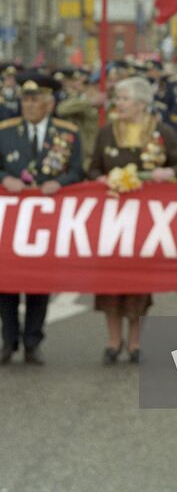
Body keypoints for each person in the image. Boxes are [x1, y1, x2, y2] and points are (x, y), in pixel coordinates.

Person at [88, 76, 177, 364]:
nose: (118, 104)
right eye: (117, 99)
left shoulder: (162, 132)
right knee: (109, 278)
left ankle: (134, 341)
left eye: (124, 99)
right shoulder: (106, 132)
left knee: (139, 280)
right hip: (112, 218)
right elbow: (93, 168)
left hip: (147, 221)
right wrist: (103, 178)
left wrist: (167, 174)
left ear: (141, 104)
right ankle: (112, 340)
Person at [0, 73, 83, 365]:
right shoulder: (5, 130)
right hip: (12, 218)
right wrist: (5, 178)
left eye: (35, 100)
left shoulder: (68, 132)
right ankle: (8, 340)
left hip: (49, 216)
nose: (29, 105)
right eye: (25, 99)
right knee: (7, 279)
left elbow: (77, 171)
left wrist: (61, 183)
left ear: (49, 102)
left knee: (40, 278)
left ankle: (33, 341)